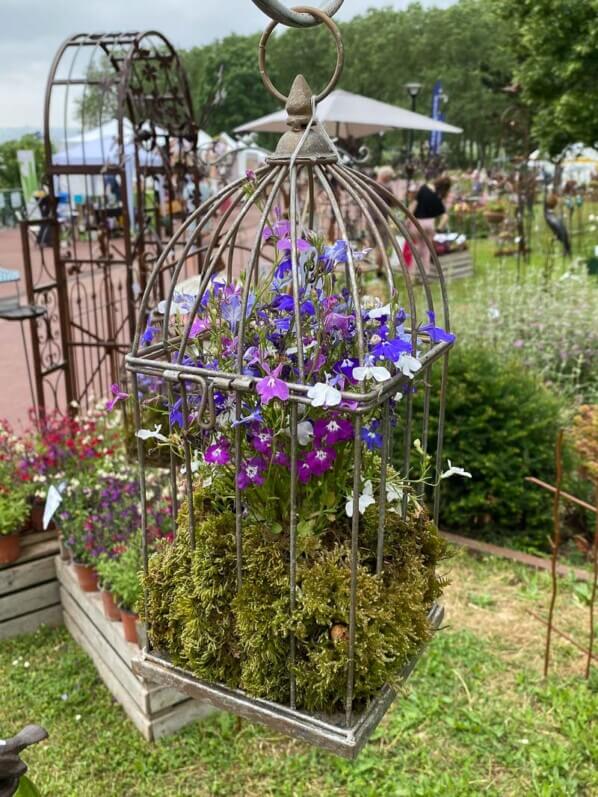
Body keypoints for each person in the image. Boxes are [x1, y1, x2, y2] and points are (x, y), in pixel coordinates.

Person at [406, 175, 452, 275]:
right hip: (430, 224)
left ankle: (412, 273)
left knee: (417, 247)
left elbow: (414, 204)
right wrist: (439, 228)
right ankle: (425, 274)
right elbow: (445, 216)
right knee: (427, 249)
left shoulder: (424, 188)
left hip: (417, 222)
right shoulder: (438, 199)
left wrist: (408, 219)